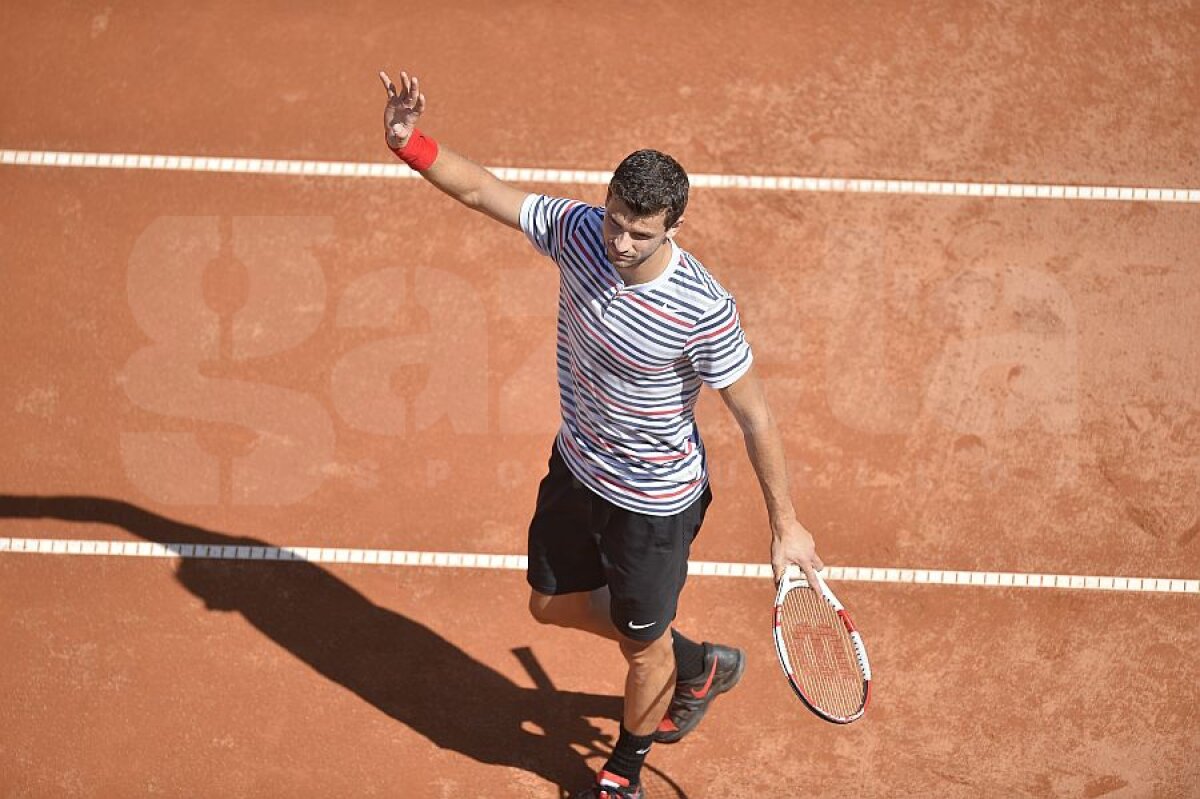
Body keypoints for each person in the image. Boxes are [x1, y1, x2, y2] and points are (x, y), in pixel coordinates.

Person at [378, 70, 824, 799]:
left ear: (672, 228)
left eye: (639, 232)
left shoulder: (701, 307)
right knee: (549, 603)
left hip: (653, 504)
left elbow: (756, 415)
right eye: (615, 218)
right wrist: (410, 142)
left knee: (639, 651)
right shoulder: (578, 232)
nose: (619, 240)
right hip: (579, 467)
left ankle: (626, 768)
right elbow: (482, 191)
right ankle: (693, 660)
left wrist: (787, 524)